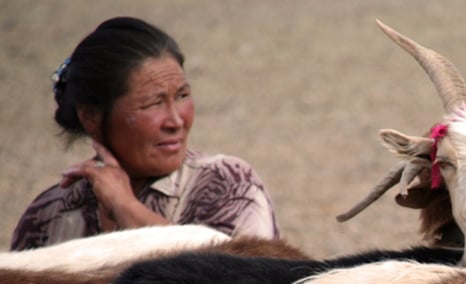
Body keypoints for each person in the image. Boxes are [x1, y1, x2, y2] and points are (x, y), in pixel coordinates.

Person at [11, 16, 279, 250]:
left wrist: (125, 206)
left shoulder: (228, 186)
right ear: (90, 116)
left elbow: (236, 281)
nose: (176, 121)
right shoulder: (48, 216)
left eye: (182, 96)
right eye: (153, 104)